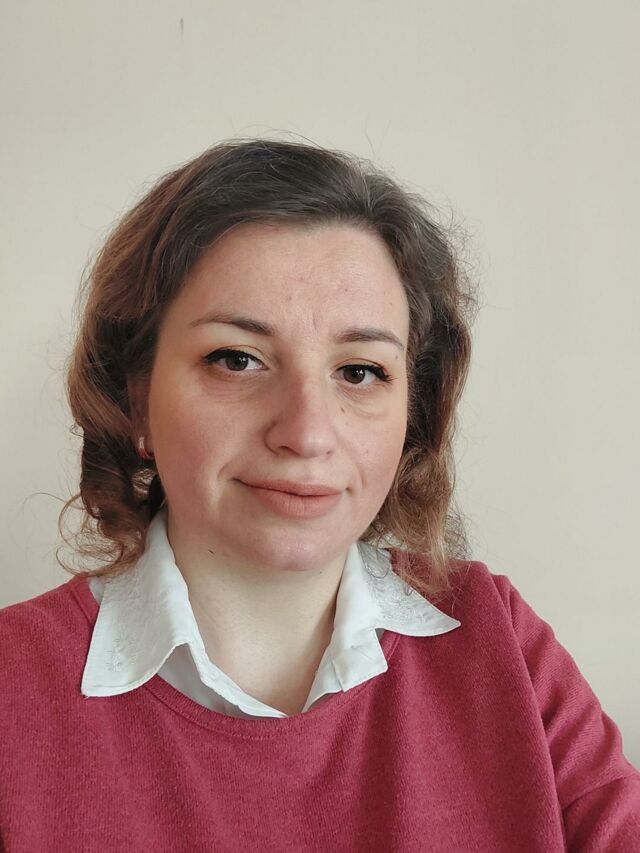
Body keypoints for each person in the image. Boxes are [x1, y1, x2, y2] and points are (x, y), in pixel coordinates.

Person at [0, 138, 638, 852]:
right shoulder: (10, 687)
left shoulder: (502, 643)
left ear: (413, 411)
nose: (307, 433)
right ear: (135, 396)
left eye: (360, 371)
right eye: (236, 359)